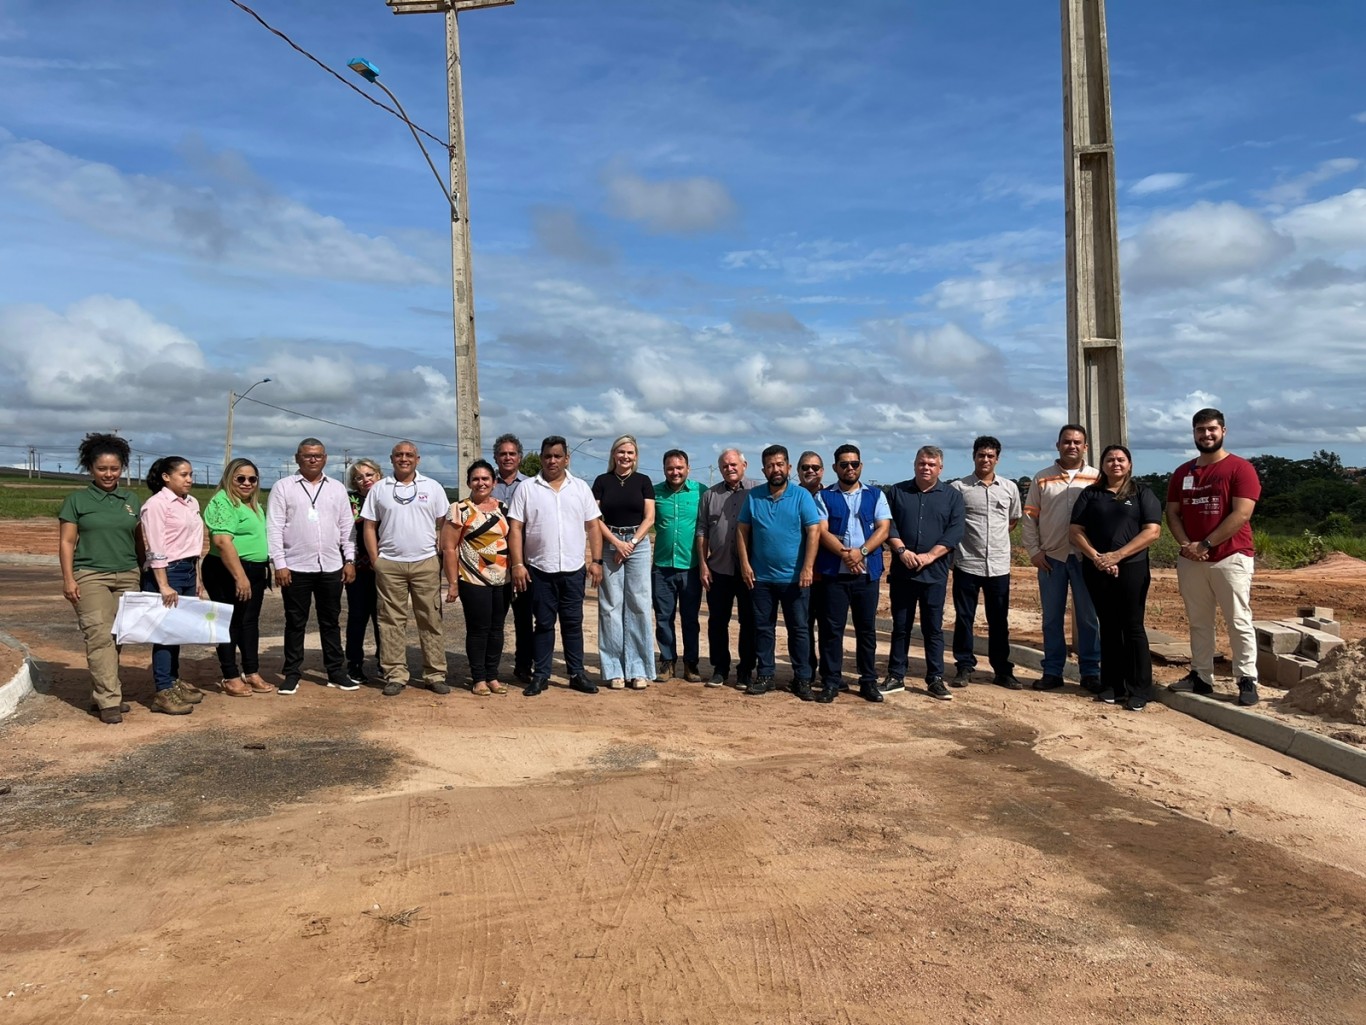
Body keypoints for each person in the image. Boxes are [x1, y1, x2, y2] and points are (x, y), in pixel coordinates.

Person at [1165, 408, 1263, 706]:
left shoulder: (1240, 469)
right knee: (1199, 621)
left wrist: (1205, 543)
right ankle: (1201, 676)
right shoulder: (1183, 472)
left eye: (1211, 429)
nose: (1206, 435)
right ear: (1193, 433)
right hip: (1192, 560)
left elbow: (1242, 513)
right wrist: (1185, 544)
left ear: (1223, 431)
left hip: (1230, 557)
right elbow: (1172, 512)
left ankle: (1246, 679)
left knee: (1238, 620)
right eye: (1200, 430)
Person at [507, 436, 604, 696]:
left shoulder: (581, 488)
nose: (552, 461)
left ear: (567, 459)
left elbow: (593, 525)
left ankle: (576, 673)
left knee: (573, 623)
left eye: (557, 456)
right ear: (541, 458)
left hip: (573, 569)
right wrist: (517, 563)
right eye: (548, 456)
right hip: (539, 570)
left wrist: (596, 561)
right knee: (544, 625)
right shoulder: (527, 488)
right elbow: (515, 527)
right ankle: (541, 675)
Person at [1069, 445, 1163, 711]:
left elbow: (1152, 531)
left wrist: (1117, 556)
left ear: (1130, 464)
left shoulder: (1142, 493)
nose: (1115, 464)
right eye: (1110, 459)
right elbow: (1075, 531)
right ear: (1103, 464)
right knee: (1108, 626)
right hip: (1097, 568)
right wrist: (1098, 557)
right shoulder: (1091, 494)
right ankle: (1112, 684)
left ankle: (1139, 688)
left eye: (1121, 459)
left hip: (1131, 568)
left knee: (1132, 627)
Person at [58, 432, 143, 724]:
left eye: (114, 468)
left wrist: (145, 574)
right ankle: (110, 701)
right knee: (98, 635)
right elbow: (67, 542)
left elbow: (139, 540)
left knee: (117, 636)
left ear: (123, 468)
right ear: (91, 469)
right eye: (102, 468)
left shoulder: (131, 499)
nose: (109, 474)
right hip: (90, 575)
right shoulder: (77, 500)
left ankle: (102, 693)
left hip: (128, 575)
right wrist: (69, 579)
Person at [266, 438, 356, 695]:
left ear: (325, 458)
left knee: (330, 621)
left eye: (317, 455)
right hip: (295, 567)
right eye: (307, 455)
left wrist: (349, 560)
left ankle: (336, 672)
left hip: (330, 566)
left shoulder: (337, 488)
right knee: (295, 622)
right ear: (297, 458)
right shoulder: (283, 487)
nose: (313, 459)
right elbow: (274, 527)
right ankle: (292, 673)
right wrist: (279, 563)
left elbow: (346, 528)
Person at [361, 441, 450, 697]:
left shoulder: (432, 487)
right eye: (399, 455)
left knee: (430, 619)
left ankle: (435, 674)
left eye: (409, 455)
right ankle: (395, 674)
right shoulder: (380, 488)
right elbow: (369, 526)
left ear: (417, 459)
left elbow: (443, 523)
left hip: (425, 562)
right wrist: (376, 559)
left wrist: (439, 554)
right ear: (391, 459)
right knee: (391, 620)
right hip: (390, 563)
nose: (404, 458)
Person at [736, 444, 824, 698]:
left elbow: (813, 532)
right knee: (763, 628)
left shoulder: (801, 497)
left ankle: (803, 678)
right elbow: (742, 531)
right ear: (764, 470)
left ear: (787, 467)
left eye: (780, 464)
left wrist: (807, 567)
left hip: (795, 578)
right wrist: (744, 563)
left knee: (799, 629)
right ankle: (765, 675)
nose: (776, 469)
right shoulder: (753, 497)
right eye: (770, 465)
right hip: (761, 577)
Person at [1021, 424, 1102, 693]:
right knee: (1052, 618)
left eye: (1077, 442)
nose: (1072, 446)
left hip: (1085, 558)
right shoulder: (1042, 478)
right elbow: (1030, 517)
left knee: (1089, 618)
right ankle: (1052, 670)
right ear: (1058, 445)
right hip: (1051, 558)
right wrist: (1034, 552)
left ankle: (1090, 671)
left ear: (1085, 447)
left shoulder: (1097, 478)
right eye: (1067, 441)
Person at [884, 446, 964, 702]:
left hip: (934, 574)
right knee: (901, 626)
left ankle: (935, 678)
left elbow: (954, 532)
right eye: (922, 463)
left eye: (931, 464)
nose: (926, 468)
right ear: (914, 464)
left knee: (933, 629)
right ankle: (896, 675)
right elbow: (888, 525)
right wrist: (901, 550)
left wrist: (930, 556)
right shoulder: (897, 492)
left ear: (940, 468)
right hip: (903, 573)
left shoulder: (952, 497)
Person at [815, 444, 891, 704]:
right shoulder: (824, 497)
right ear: (836, 467)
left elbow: (883, 528)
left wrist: (862, 552)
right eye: (844, 464)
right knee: (831, 630)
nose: (850, 468)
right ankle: (831, 681)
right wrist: (847, 555)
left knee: (866, 630)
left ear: (861, 466)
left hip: (866, 574)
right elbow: (822, 531)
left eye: (854, 464)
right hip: (834, 573)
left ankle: (868, 680)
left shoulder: (876, 495)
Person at [950, 436, 1024, 690]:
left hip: (999, 566)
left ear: (997, 459)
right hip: (967, 564)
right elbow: (954, 523)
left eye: (991, 456)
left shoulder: (1009, 488)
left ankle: (1002, 669)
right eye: (981, 455)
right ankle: (963, 666)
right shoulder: (960, 488)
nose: (986, 460)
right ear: (974, 456)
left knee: (999, 620)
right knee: (964, 618)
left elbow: (1012, 520)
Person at [139, 456, 207, 715]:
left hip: (188, 570)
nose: (189, 479)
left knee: (177, 631)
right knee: (165, 634)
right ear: (166, 477)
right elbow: (155, 547)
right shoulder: (156, 505)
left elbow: (195, 543)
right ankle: (163, 690)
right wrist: (163, 584)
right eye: (183, 474)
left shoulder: (191, 502)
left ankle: (174, 680)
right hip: (168, 573)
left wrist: (198, 579)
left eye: (191, 474)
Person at [202, 458, 275, 697]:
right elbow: (222, 541)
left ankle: (251, 672)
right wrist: (240, 576)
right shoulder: (223, 501)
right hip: (228, 570)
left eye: (252, 479)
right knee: (228, 622)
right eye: (240, 478)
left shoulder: (253, 504)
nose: (247, 483)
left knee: (249, 622)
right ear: (229, 478)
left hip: (253, 570)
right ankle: (230, 675)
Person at [443, 459, 511, 696]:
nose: (481, 483)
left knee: (497, 628)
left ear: (494, 482)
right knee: (478, 629)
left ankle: (493, 676)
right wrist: (453, 583)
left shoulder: (504, 508)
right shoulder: (459, 509)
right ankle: (479, 677)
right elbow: (449, 548)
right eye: (476, 479)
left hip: (503, 579)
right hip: (473, 579)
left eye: (485, 479)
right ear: (469, 482)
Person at [592, 436, 656, 689]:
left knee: (639, 603)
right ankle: (614, 669)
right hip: (610, 544)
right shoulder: (601, 481)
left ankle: (638, 668)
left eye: (630, 452)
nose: (625, 456)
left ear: (636, 456)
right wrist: (617, 543)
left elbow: (649, 517)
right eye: (621, 452)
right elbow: (595, 517)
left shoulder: (643, 481)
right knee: (610, 606)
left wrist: (630, 544)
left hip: (638, 545)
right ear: (614, 454)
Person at [697, 448, 760, 689]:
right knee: (717, 622)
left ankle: (745, 670)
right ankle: (719, 668)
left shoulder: (757, 491)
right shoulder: (710, 496)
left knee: (749, 622)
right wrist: (703, 565)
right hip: (718, 570)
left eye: (733, 464)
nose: (729, 468)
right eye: (724, 465)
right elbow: (702, 530)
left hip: (749, 571)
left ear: (744, 464)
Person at [652, 449, 705, 683]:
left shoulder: (701, 492)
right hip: (662, 566)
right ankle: (667, 661)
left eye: (679, 468)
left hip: (691, 566)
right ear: (664, 470)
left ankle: (691, 663)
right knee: (663, 617)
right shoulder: (654, 494)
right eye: (670, 468)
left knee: (690, 618)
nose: (675, 472)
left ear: (688, 468)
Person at [492, 432, 534, 684]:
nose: (507, 457)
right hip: (492, 563)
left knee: (524, 617)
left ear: (519, 457)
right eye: (503, 453)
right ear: (496, 457)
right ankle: (490, 669)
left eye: (512, 453)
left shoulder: (530, 485)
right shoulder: (485, 483)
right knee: (495, 618)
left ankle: (523, 665)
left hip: (524, 562)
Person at [345, 459, 384, 684]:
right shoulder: (350, 500)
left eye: (370, 474)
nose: (365, 479)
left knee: (384, 618)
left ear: (378, 475)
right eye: (360, 477)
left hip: (386, 566)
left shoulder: (387, 495)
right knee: (358, 616)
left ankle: (384, 661)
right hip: (359, 567)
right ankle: (354, 663)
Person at [797, 450, 828, 684]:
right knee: (802, 628)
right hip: (800, 575)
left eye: (815, 468)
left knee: (829, 629)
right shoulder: (791, 496)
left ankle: (830, 674)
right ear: (797, 471)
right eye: (805, 467)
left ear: (822, 471)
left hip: (828, 574)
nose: (810, 471)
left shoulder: (832, 496)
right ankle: (806, 673)